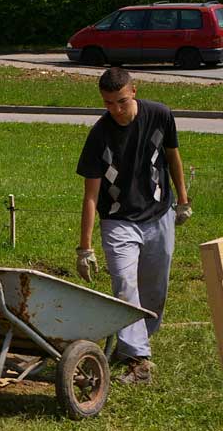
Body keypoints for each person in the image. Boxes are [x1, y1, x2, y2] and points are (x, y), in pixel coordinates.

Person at [76, 67, 192, 384]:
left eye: (121, 101)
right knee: (125, 286)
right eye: (108, 103)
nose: (116, 110)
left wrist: (182, 200)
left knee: (155, 289)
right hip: (118, 220)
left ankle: (134, 344)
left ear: (134, 91)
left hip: (158, 214)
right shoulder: (99, 135)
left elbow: (173, 157)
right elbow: (90, 195)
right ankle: (139, 359)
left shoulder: (160, 115)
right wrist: (84, 248)